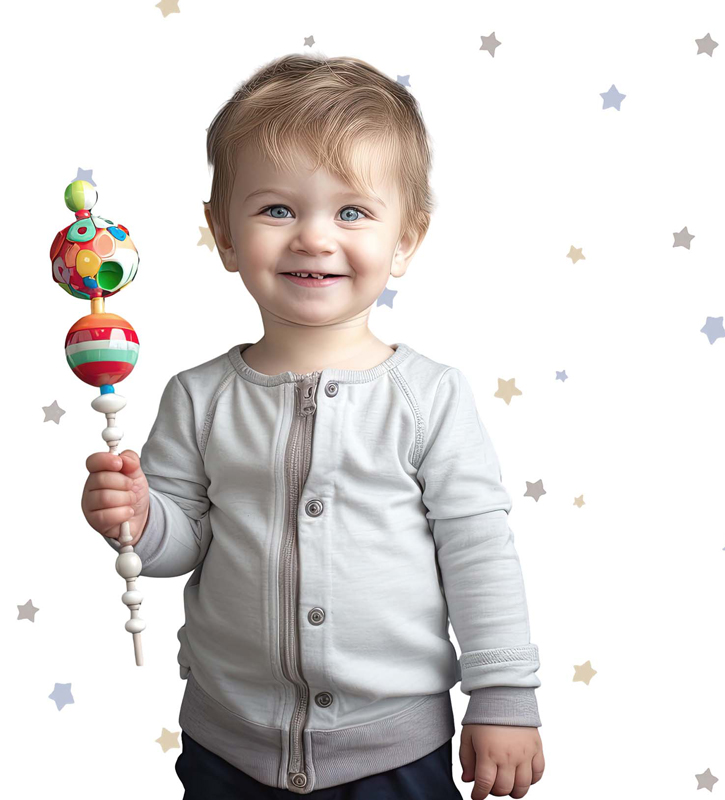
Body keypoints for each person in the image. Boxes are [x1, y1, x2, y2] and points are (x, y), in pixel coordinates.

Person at [81, 53, 545, 800]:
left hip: (393, 752)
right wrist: (136, 517)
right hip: (227, 746)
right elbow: (181, 542)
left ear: (406, 239)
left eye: (351, 212)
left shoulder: (430, 397)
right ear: (223, 235)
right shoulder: (198, 397)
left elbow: (478, 551)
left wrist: (503, 698)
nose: (314, 238)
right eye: (277, 210)